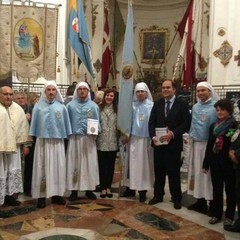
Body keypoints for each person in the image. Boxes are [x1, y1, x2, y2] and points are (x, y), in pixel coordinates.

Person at [148, 79, 191, 209]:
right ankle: (158, 195)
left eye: (168, 87)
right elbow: (151, 122)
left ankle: (176, 197)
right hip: (159, 144)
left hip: (173, 144)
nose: (165, 90)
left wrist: (173, 133)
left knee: (173, 172)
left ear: (174, 89)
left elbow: (186, 123)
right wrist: (153, 136)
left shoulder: (182, 104)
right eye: (163, 88)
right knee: (159, 171)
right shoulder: (157, 104)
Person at [30, 81, 72, 208]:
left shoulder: (62, 107)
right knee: (41, 167)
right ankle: (42, 196)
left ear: (57, 91)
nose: (51, 92)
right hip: (42, 142)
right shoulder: (38, 107)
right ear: (45, 91)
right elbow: (33, 126)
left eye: (53, 89)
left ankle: (56, 194)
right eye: (48, 89)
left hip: (57, 142)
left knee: (57, 167)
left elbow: (66, 126)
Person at [202, 99, 237, 226]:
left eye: (222, 110)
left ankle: (229, 216)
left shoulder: (234, 125)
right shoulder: (213, 126)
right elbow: (209, 145)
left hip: (228, 163)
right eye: (217, 110)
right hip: (215, 162)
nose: (219, 112)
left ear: (229, 110)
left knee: (230, 190)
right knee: (216, 189)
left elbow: (232, 143)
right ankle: (217, 214)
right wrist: (206, 163)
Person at [187, 82, 220, 214]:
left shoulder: (216, 107)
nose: (200, 93)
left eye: (203, 90)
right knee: (197, 172)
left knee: (209, 174)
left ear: (210, 91)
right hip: (196, 144)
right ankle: (200, 201)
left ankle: (212, 202)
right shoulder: (195, 107)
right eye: (198, 91)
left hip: (209, 145)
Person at [66, 81, 100, 202]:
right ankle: (74, 191)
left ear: (88, 91)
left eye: (84, 89)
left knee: (89, 164)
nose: (82, 91)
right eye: (79, 89)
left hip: (88, 139)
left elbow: (97, 123)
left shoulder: (94, 106)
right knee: (74, 164)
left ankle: (89, 190)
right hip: (74, 139)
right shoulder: (70, 106)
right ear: (76, 91)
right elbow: (66, 123)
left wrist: (95, 132)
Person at [121, 82, 154, 202]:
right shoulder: (132, 106)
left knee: (143, 165)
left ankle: (142, 190)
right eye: (138, 91)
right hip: (132, 139)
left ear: (146, 93)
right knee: (130, 164)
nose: (140, 94)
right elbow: (125, 121)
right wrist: (124, 135)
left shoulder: (152, 106)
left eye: (142, 91)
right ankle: (130, 188)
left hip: (145, 139)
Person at [0, 86, 30, 206]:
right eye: (5, 94)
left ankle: (10, 196)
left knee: (12, 171)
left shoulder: (17, 109)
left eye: (10, 94)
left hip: (15, 148)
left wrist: (26, 145)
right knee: (1, 172)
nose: (8, 97)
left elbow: (23, 128)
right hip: (1, 149)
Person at [96, 88, 119, 198]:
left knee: (110, 166)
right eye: (107, 95)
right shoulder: (99, 108)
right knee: (102, 166)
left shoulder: (117, 110)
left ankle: (108, 187)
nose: (109, 97)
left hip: (113, 142)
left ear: (114, 98)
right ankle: (102, 188)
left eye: (111, 96)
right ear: (104, 97)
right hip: (101, 141)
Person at [14, 92, 34, 196]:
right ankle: (15, 190)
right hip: (15, 143)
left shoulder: (31, 109)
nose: (21, 100)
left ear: (26, 100)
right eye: (18, 98)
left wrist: (27, 145)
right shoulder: (12, 110)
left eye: (22, 98)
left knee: (29, 166)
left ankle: (27, 188)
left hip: (29, 142)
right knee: (15, 167)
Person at [226, 126, 240, 232]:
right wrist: (231, 150)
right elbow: (231, 139)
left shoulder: (232, 123)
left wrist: (235, 154)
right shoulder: (235, 127)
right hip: (234, 164)